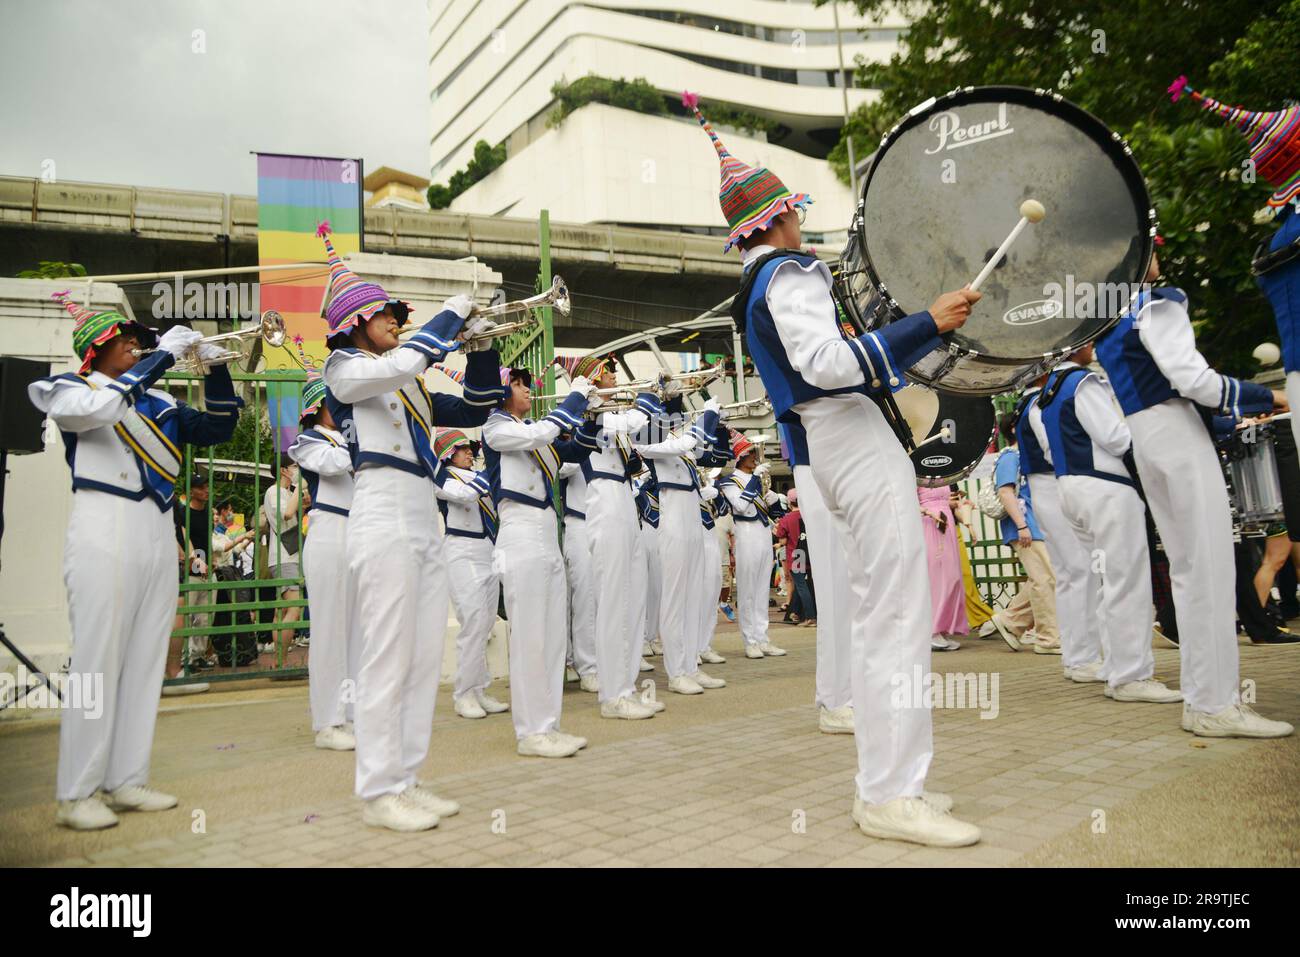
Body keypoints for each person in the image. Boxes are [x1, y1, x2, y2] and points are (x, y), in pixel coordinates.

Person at [684, 91, 982, 845]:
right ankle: (886, 792)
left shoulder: (762, 280)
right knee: (895, 613)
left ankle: (895, 781)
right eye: (793, 211)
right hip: (848, 435)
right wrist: (928, 324)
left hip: (836, 443)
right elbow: (822, 363)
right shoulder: (789, 271)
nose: (800, 221)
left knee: (888, 609)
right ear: (777, 218)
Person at [29, 290, 242, 829]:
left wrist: (216, 371)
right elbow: (100, 410)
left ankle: (125, 779)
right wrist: (162, 358)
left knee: (146, 661)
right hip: (104, 523)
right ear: (95, 352)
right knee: (98, 663)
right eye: (126, 343)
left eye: (141, 344)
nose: (137, 347)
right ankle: (77, 792)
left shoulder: (162, 403)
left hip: (154, 530)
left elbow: (219, 428)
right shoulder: (71, 389)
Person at [318, 222, 499, 831]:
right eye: (386, 314)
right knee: (387, 655)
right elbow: (404, 360)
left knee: (422, 656)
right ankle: (377, 790)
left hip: (423, 514)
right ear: (357, 321)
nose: (397, 318)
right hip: (382, 510)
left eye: (400, 313)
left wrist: (482, 347)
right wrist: (448, 316)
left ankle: (407, 777)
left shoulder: (409, 379)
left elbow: (475, 408)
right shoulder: (345, 369)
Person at [1095, 248, 1294, 737]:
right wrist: (1269, 395)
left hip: (1146, 437)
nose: (1159, 248)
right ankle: (1214, 705)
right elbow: (1193, 380)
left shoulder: (1108, 320)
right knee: (1209, 569)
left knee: (1190, 572)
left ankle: (1207, 701)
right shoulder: (1157, 303)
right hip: (1176, 433)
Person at [1037, 346, 1181, 703]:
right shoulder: (1082, 382)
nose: (1092, 345)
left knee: (1108, 581)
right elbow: (1116, 437)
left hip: (1073, 489)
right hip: (1105, 489)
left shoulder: (1050, 388)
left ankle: (1116, 666)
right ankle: (1130, 676)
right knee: (1126, 582)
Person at [484, 367, 607, 749]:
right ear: (503, 389)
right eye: (520, 385)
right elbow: (541, 433)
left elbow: (574, 451)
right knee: (531, 637)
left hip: (545, 531)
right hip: (519, 532)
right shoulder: (496, 427)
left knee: (552, 635)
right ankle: (531, 731)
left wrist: (593, 415)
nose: (527, 390)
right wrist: (574, 398)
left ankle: (548, 723)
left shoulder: (533, 431)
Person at [571, 359, 661, 715]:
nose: (615, 378)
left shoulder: (614, 417)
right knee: (613, 599)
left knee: (632, 595)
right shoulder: (593, 414)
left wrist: (664, 400)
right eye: (609, 373)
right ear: (593, 380)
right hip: (604, 501)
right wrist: (648, 395)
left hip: (623, 498)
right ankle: (613, 694)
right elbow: (638, 421)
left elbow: (653, 434)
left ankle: (626, 685)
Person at [634, 391, 726, 694]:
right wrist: (708, 414)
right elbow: (687, 442)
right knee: (675, 599)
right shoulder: (646, 441)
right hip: (672, 519)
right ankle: (676, 672)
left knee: (693, 595)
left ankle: (690, 666)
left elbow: (700, 449)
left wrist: (700, 415)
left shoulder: (671, 438)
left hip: (691, 517)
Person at [288, 367, 358, 751]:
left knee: (357, 630)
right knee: (330, 630)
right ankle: (328, 721)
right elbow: (333, 465)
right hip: (330, 532)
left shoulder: (353, 438)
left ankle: (351, 714)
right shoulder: (307, 440)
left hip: (359, 533)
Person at [431, 428, 511, 719]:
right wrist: (492, 467)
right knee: (473, 619)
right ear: (448, 453)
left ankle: (479, 689)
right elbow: (464, 496)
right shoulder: (441, 476)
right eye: (462, 449)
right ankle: (463, 694)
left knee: (486, 621)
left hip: (487, 548)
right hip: (461, 549)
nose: (469, 453)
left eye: (469, 448)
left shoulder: (479, 475)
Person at [983, 415, 1062, 654]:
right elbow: (1006, 492)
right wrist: (1021, 525)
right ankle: (1048, 638)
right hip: (1026, 526)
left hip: (1035, 525)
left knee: (1043, 578)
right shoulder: (1010, 456)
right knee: (1044, 580)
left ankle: (1010, 621)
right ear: (1016, 428)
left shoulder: (1026, 457)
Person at [720, 432, 784, 660]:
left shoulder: (757, 480)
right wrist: (756, 479)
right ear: (740, 458)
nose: (755, 458)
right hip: (745, 533)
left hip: (763, 533)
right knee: (747, 590)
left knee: (761, 590)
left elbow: (772, 515)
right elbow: (739, 505)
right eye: (751, 454)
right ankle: (750, 641)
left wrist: (775, 504)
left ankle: (763, 638)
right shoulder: (729, 481)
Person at [918, 484, 968, 651]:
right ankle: (932, 631)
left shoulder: (942, 476)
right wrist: (926, 511)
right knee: (936, 577)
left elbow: (948, 500)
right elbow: (905, 501)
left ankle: (943, 628)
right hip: (929, 522)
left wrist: (955, 505)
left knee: (952, 576)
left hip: (946, 524)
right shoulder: (916, 473)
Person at [262, 463, 304, 652]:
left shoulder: (285, 492)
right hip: (284, 557)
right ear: (283, 470)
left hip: (289, 555)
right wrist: (299, 488)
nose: (297, 469)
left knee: (283, 610)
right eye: (294, 465)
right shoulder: (274, 491)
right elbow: (286, 514)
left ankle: (280, 661)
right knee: (294, 608)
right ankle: (282, 660)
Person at [774, 488, 815, 628]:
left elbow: (784, 541)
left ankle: (810, 617)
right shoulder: (808, 515)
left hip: (796, 555)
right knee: (802, 586)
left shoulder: (787, 519)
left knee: (801, 586)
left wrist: (776, 533)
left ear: (789, 502)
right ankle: (795, 612)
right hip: (811, 554)